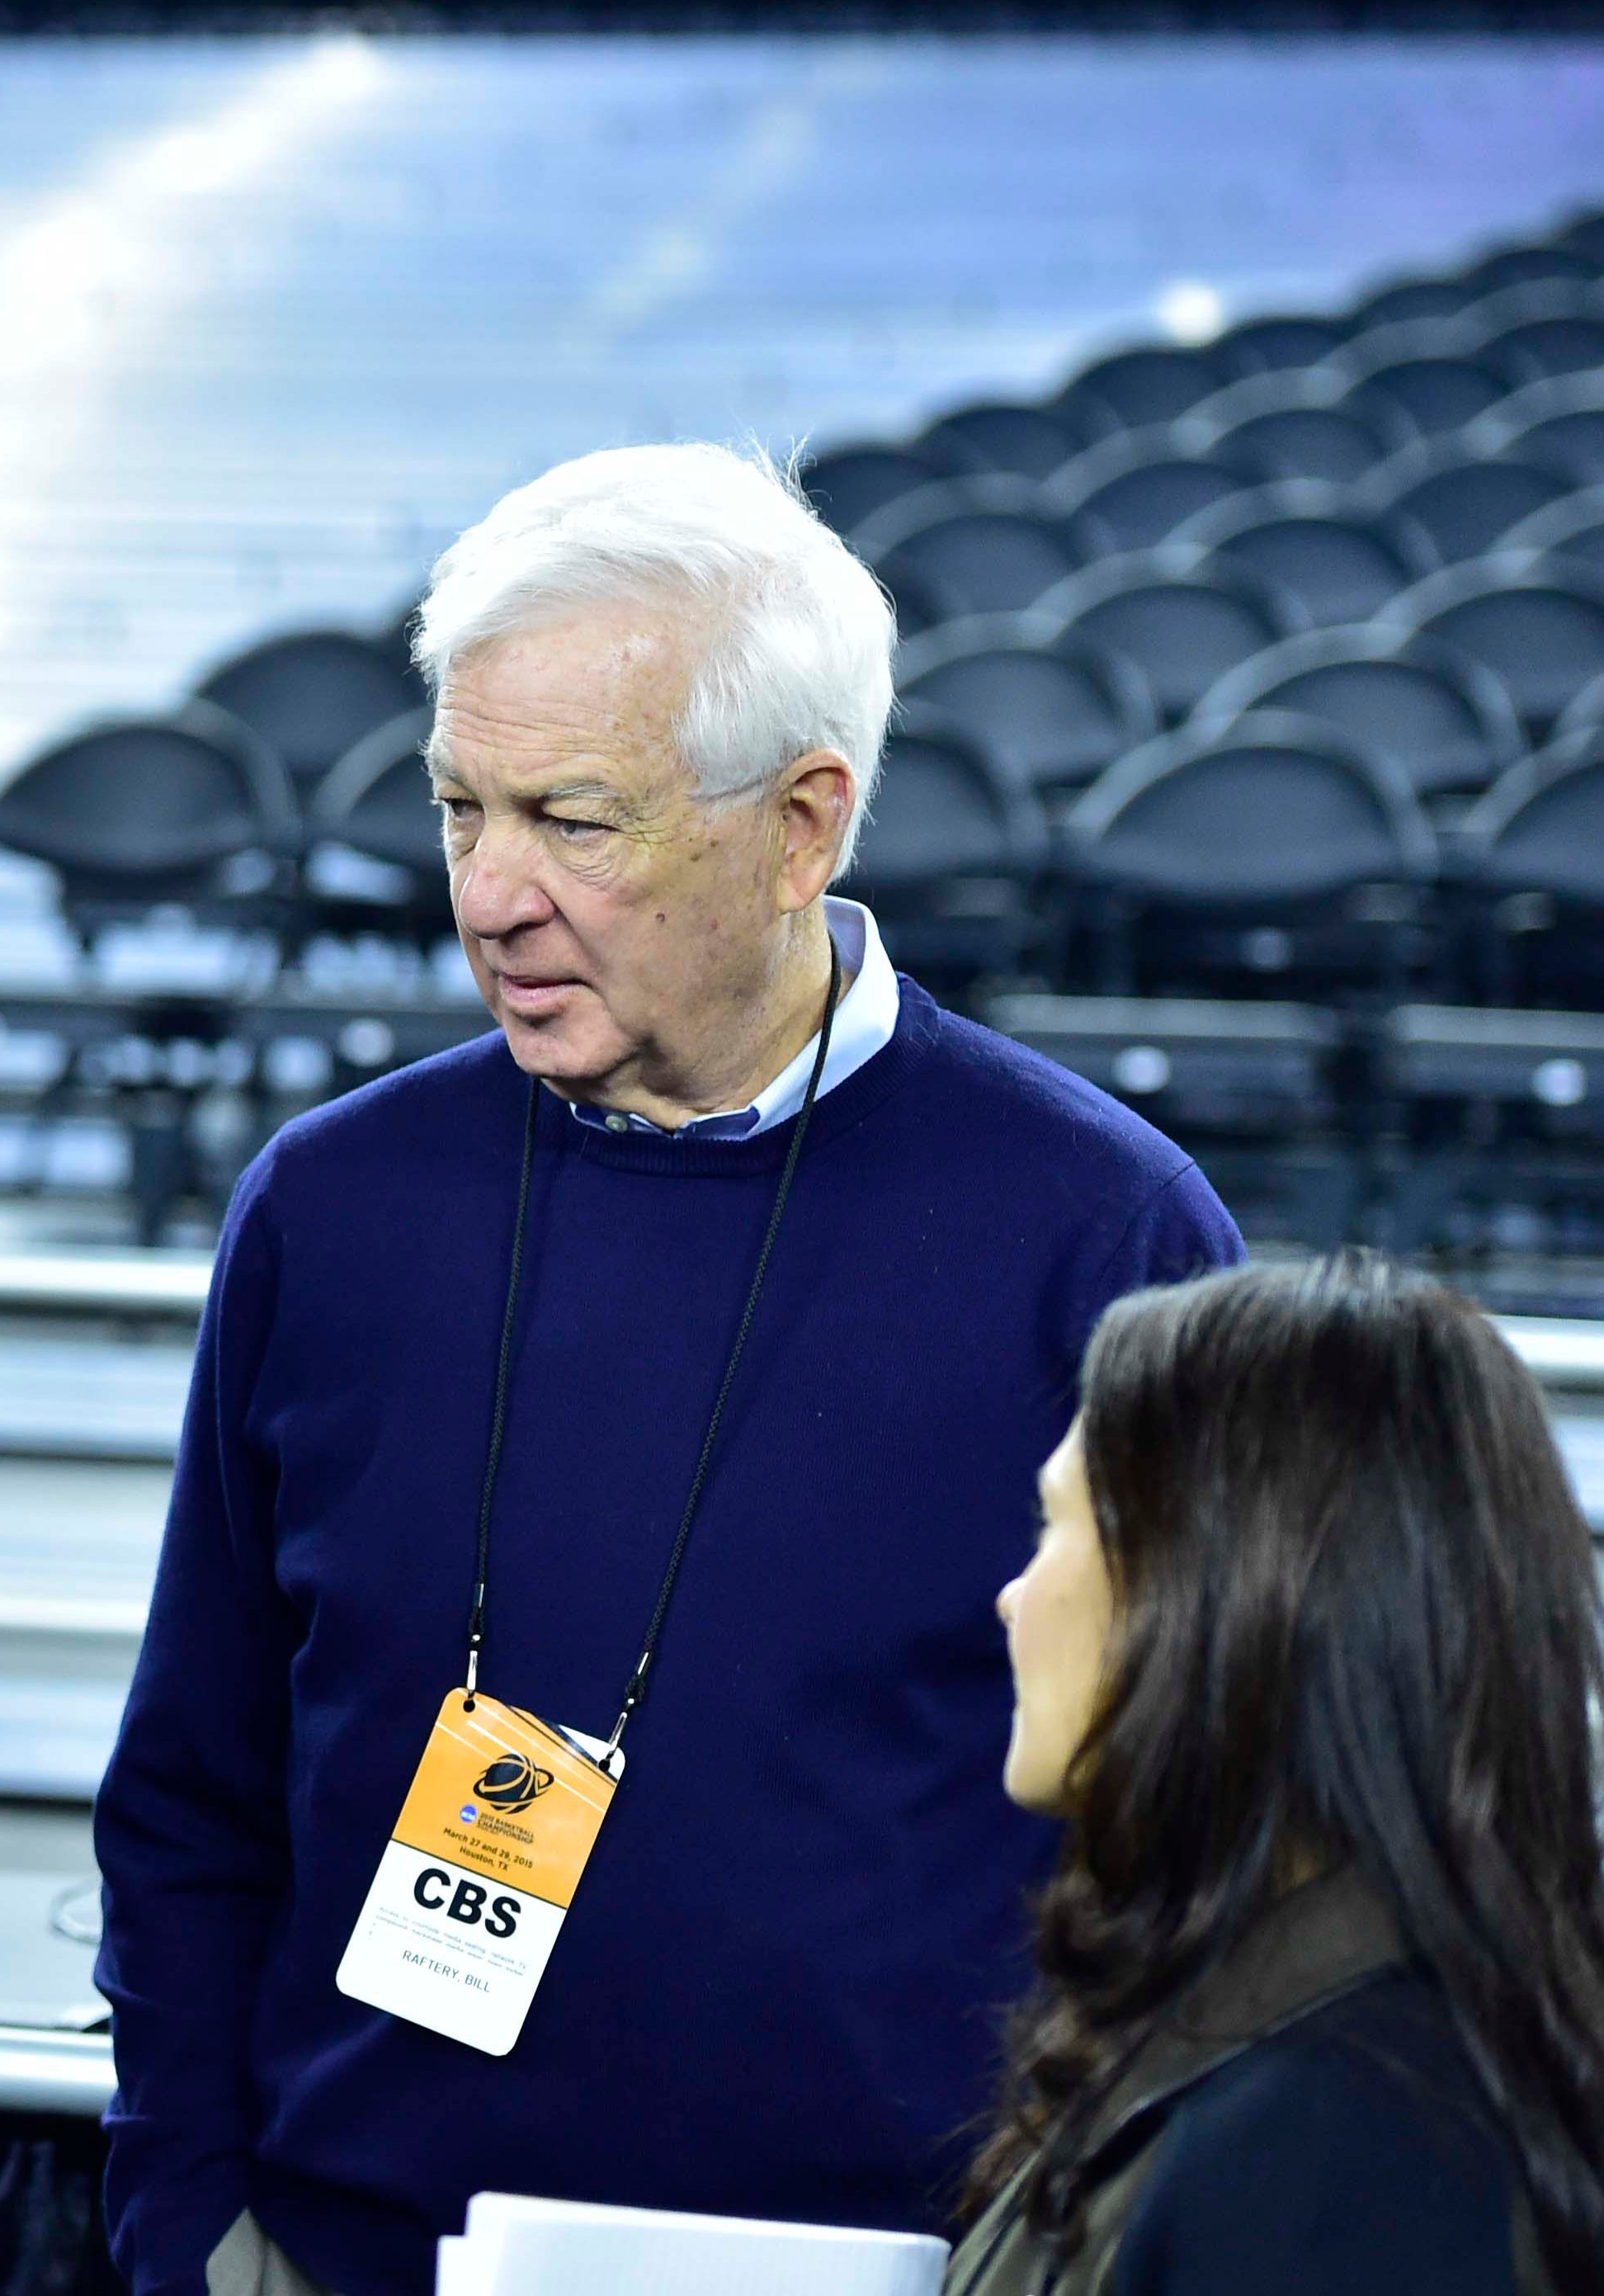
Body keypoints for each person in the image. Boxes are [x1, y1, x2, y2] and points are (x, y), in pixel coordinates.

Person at [91, 442, 1246, 2296]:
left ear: (800, 824)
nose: (488, 893)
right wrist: (192, 2227)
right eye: (457, 807)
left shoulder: (1104, 1238)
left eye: (572, 817)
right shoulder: (330, 1206)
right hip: (348, 2252)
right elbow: (191, 1784)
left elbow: (1209, 1855)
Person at [951, 1254, 1604, 2295]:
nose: (1011, 1596)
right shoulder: (1292, 2044)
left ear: (1215, 1585)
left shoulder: (1344, 2141)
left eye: (1053, 1525)